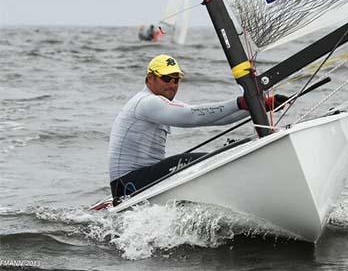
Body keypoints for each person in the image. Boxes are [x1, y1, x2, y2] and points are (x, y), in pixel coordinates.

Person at [108, 54, 288, 201]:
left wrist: (260, 106)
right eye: (166, 78)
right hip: (129, 184)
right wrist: (240, 103)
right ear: (150, 78)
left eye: (176, 80)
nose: (172, 84)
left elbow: (218, 119)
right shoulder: (146, 102)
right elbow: (192, 116)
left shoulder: (159, 103)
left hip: (137, 181)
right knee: (215, 160)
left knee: (217, 157)